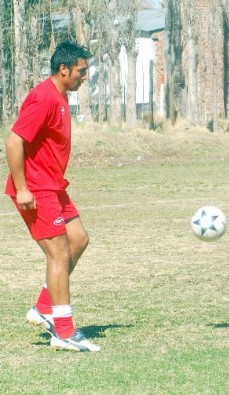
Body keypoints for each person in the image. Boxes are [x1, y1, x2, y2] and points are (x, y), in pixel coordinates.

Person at [5, 41, 100, 352]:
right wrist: (21, 188)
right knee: (58, 253)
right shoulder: (43, 98)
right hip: (36, 189)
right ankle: (64, 331)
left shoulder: (59, 96)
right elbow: (14, 141)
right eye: (81, 71)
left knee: (79, 239)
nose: (84, 77)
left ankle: (43, 307)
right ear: (64, 69)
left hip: (54, 186)